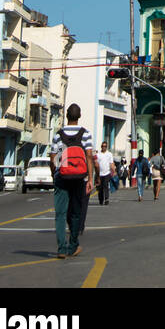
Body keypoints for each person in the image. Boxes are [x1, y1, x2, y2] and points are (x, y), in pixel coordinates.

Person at [50, 103, 94, 258]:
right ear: (79, 116)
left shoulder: (58, 135)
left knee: (60, 214)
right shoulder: (85, 134)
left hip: (62, 176)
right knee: (76, 212)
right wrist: (90, 178)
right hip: (79, 177)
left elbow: (54, 157)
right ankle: (73, 245)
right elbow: (89, 156)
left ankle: (61, 248)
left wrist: (54, 174)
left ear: (67, 115)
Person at [95, 141, 115, 206]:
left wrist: (113, 172)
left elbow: (111, 164)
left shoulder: (109, 154)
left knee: (106, 186)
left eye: (105, 146)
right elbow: (96, 164)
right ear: (101, 147)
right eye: (103, 146)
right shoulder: (98, 155)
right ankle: (101, 199)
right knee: (100, 188)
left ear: (106, 147)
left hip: (107, 173)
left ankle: (106, 199)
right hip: (99, 174)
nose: (104, 147)